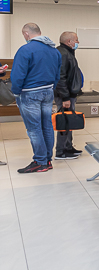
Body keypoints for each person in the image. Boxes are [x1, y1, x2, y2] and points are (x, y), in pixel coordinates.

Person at [11, 23, 61, 174]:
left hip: (30, 93)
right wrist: (51, 88)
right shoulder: (54, 51)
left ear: (26, 34)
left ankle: (40, 161)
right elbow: (57, 74)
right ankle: (47, 160)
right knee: (47, 126)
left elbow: (17, 75)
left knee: (34, 129)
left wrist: (16, 92)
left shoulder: (25, 50)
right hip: (48, 91)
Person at [54, 31, 83, 161]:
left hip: (68, 94)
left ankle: (68, 147)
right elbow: (60, 77)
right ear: (69, 42)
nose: (78, 42)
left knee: (69, 121)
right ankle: (61, 151)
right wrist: (65, 97)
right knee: (64, 121)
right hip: (64, 95)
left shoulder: (67, 52)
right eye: (76, 40)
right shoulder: (63, 54)